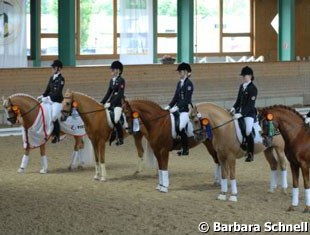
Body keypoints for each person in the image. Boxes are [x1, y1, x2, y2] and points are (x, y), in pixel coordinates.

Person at [164, 62, 194, 156]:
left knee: (181, 127)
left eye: (180, 72)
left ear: (185, 72)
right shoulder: (179, 83)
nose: (179, 74)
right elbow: (176, 97)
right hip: (177, 109)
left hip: (185, 110)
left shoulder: (189, 84)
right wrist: (169, 106)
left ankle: (185, 149)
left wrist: (177, 107)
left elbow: (187, 100)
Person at [230, 66, 258, 162]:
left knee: (248, 131)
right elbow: (238, 100)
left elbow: (250, 105)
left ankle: (250, 153)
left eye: (245, 76)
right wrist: (234, 107)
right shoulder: (242, 86)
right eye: (243, 76)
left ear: (250, 76)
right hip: (239, 112)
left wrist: (242, 113)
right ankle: (241, 144)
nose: (243, 77)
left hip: (249, 113)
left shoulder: (253, 89)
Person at [100, 61, 125, 146]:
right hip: (110, 103)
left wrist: (111, 103)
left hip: (118, 104)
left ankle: (120, 138)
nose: (112, 71)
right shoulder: (112, 81)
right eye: (112, 69)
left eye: (113, 69)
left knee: (116, 119)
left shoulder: (121, 80)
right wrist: (102, 102)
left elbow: (120, 94)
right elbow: (108, 93)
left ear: (118, 70)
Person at [40, 59, 65, 144]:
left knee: (54, 116)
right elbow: (47, 89)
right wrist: (42, 96)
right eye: (52, 67)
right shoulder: (51, 78)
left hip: (57, 101)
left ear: (58, 68)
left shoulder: (61, 79)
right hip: (49, 100)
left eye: (54, 67)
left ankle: (57, 135)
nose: (52, 69)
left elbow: (57, 92)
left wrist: (48, 98)